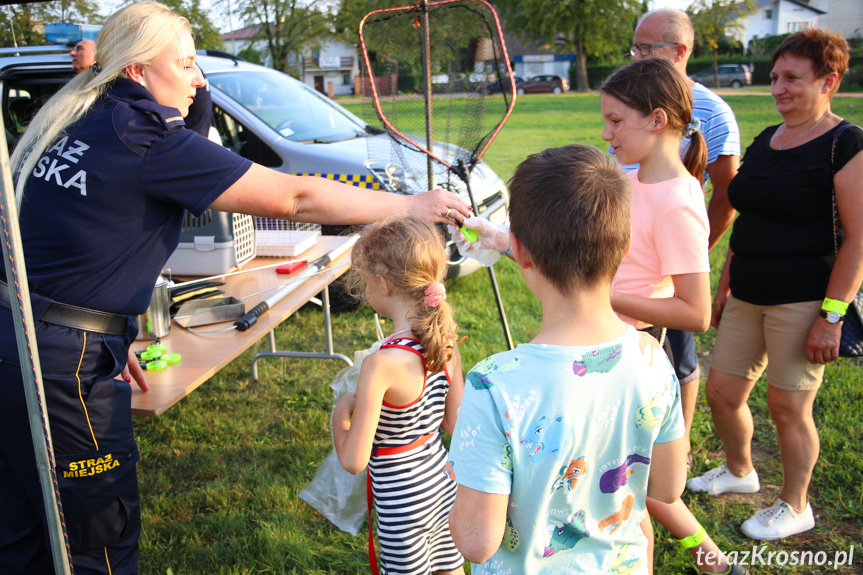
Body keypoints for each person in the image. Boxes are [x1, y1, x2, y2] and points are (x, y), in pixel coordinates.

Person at [0, 2, 469, 573]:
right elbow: (297, 197)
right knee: (98, 538)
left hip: (20, 336)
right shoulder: (146, 144)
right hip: (61, 358)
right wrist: (410, 204)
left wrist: (103, 333)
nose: (200, 80)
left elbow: (67, 241)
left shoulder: (83, 119)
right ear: (137, 72)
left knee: (24, 527)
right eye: (189, 64)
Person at [448, 144, 688, 573]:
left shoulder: (492, 385)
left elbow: (477, 542)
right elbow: (668, 487)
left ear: (518, 251)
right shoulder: (653, 358)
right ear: (626, 244)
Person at [687, 28, 863, 541]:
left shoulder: (843, 142)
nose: (778, 88)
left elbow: (857, 238)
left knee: (788, 407)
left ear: (828, 81)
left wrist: (832, 315)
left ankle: (795, 504)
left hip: (804, 299)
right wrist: (723, 287)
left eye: (792, 78)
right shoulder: (767, 139)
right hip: (746, 293)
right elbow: (747, 221)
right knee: (721, 393)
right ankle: (741, 471)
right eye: (774, 77)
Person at [601, 58, 747, 575]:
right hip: (606, 348)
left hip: (638, 355)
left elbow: (696, 312)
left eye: (616, 121)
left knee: (646, 489)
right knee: (629, 487)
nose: (607, 133)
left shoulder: (680, 199)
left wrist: (602, 298)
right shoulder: (631, 181)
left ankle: (716, 563)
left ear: (657, 120)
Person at [627, 8, 742, 465]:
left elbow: (727, 194)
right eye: (634, 47)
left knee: (678, 358)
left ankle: (678, 447)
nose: (636, 57)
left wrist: (692, 256)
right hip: (633, 253)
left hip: (670, 254)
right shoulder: (634, 98)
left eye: (645, 48)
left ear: (679, 51)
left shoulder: (712, 111)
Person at [332, 217, 465, 575]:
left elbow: (354, 460)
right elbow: (454, 423)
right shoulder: (446, 341)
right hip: (442, 479)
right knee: (448, 567)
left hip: (402, 500)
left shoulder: (381, 364)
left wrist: (340, 416)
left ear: (382, 283)